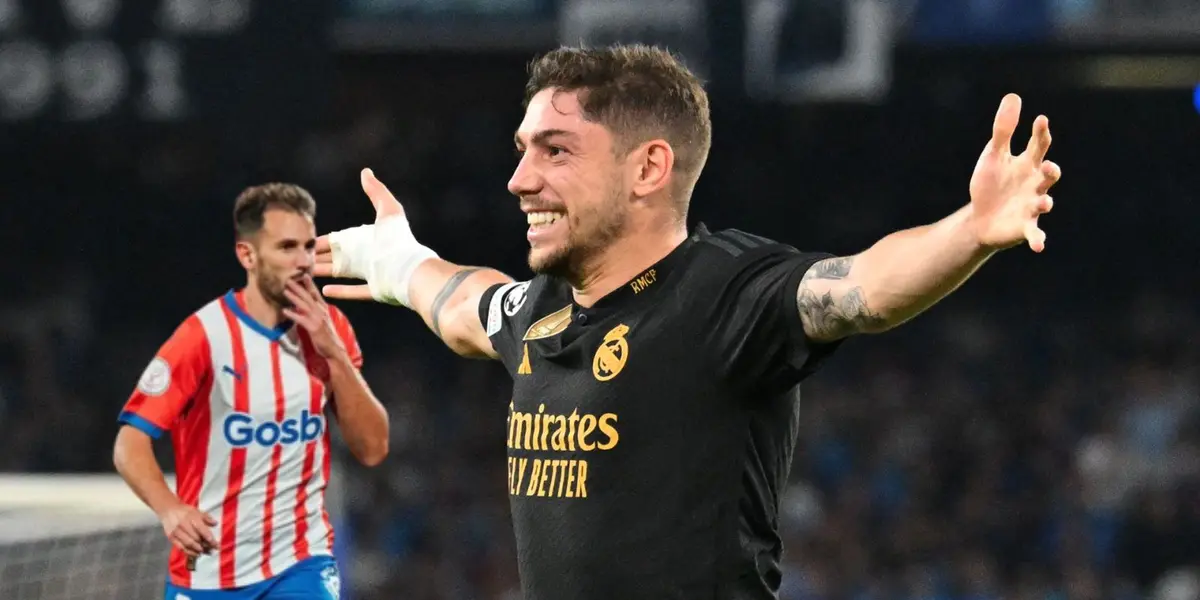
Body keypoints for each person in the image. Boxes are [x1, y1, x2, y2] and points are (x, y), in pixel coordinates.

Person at [315, 44, 1061, 600]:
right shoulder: (544, 309)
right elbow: (464, 308)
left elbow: (863, 287)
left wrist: (969, 230)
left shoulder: (721, 293)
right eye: (522, 151)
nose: (519, 180)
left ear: (648, 168)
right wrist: (397, 263)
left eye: (555, 151)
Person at [113, 183, 390, 599]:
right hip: (208, 571)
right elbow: (129, 443)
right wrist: (170, 509)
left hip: (301, 564)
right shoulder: (202, 337)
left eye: (308, 247)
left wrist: (335, 354)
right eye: (286, 247)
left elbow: (373, 448)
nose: (303, 261)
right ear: (248, 255)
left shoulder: (330, 329)